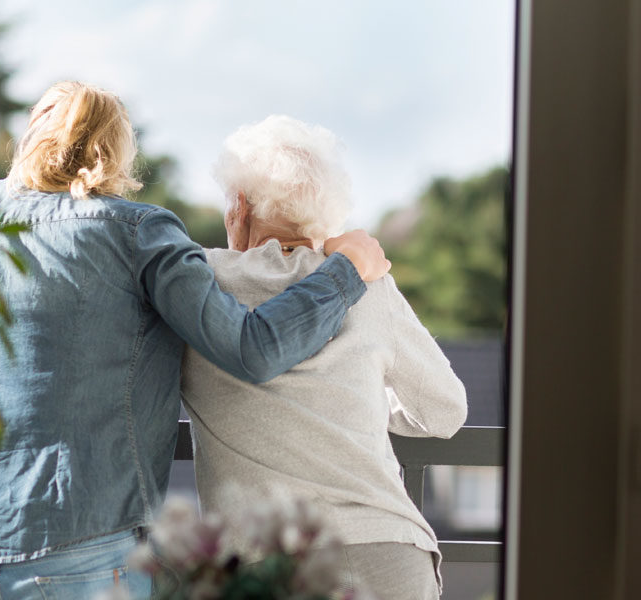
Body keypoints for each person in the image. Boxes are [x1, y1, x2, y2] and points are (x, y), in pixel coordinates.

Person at [0, 82, 392, 600]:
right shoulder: (139, 233)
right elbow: (253, 349)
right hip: (83, 543)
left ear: (32, 134)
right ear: (116, 153)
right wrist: (348, 272)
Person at [180, 115, 468, 600]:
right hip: (387, 553)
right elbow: (444, 411)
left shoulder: (199, 283)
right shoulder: (369, 284)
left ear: (239, 207)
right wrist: (360, 403)